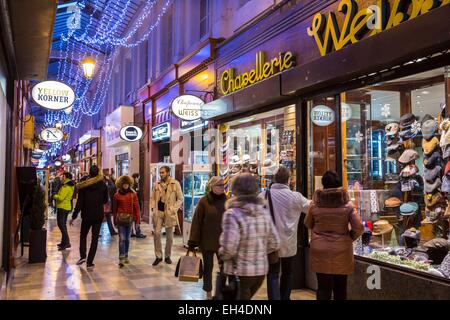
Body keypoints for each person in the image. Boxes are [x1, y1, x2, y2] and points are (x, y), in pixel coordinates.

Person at [304, 171, 364, 300]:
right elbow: (359, 227)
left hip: (320, 250)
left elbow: (308, 223)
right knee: (340, 288)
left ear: (324, 184)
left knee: (323, 287)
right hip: (342, 249)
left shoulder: (315, 204)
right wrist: (350, 237)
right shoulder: (347, 205)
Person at [219, 173, 280, 300]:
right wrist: (259, 252)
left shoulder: (232, 214)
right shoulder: (263, 212)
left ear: (235, 189)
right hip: (261, 271)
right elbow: (274, 243)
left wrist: (222, 254)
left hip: (240, 272)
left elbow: (228, 248)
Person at [259, 166, 311, 300]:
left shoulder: (264, 195)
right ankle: (284, 297)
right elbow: (311, 207)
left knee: (272, 273)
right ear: (288, 180)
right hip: (289, 242)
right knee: (288, 273)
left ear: (274, 179)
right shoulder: (295, 197)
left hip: (270, 243)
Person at [188, 176, 227, 300]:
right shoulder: (204, 201)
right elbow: (197, 221)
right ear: (212, 187)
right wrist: (193, 241)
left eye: (223, 185)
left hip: (223, 242)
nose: (222, 188)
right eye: (219, 185)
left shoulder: (228, 201)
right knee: (208, 268)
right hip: (207, 241)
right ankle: (208, 292)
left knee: (224, 268)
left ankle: (221, 291)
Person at [70, 165, 108, 270]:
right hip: (98, 215)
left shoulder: (84, 185)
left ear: (89, 173)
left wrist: (74, 215)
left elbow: (80, 202)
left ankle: (83, 256)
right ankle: (90, 262)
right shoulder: (103, 185)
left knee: (83, 235)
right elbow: (105, 200)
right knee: (95, 238)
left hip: (86, 215)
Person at [150, 166, 183, 266]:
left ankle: (168, 256)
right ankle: (158, 256)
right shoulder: (156, 184)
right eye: (160, 172)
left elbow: (180, 198)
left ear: (168, 172)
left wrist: (173, 209)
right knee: (157, 233)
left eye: (163, 172)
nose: (161, 174)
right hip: (159, 212)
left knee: (170, 236)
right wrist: (153, 207)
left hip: (169, 212)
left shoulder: (175, 183)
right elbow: (152, 197)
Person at [113, 175, 141, 267]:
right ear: (121, 184)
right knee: (122, 239)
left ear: (129, 184)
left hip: (129, 220)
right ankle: (121, 257)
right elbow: (115, 209)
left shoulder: (133, 194)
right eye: (124, 184)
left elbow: (137, 208)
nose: (126, 186)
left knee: (127, 239)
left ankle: (126, 255)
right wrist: (115, 221)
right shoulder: (116, 195)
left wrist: (138, 221)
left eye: (127, 184)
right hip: (120, 220)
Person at [53, 172, 75, 251]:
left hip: (63, 207)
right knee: (63, 225)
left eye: (63, 176)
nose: (62, 177)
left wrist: (54, 195)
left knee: (61, 225)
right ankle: (64, 242)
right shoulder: (68, 185)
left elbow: (61, 197)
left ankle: (66, 243)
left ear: (66, 177)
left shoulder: (66, 186)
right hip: (65, 207)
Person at [131, 173, 146, 239]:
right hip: (135, 204)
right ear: (136, 178)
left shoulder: (133, 185)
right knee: (137, 218)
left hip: (135, 203)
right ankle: (137, 232)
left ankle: (132, 232)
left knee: (134, 218)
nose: (138, 179)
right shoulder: (134, 185)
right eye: (138, 177)